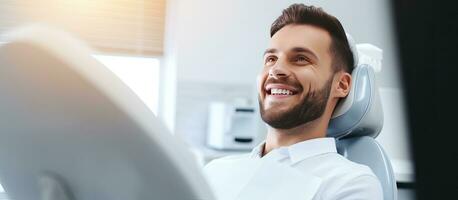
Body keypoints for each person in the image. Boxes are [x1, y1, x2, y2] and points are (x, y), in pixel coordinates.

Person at [204, 4, 383, 200]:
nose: (276, 70)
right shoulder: (214, 172)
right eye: (271, 58)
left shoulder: (351, 184)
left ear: (341, 84)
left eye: (300, 59)